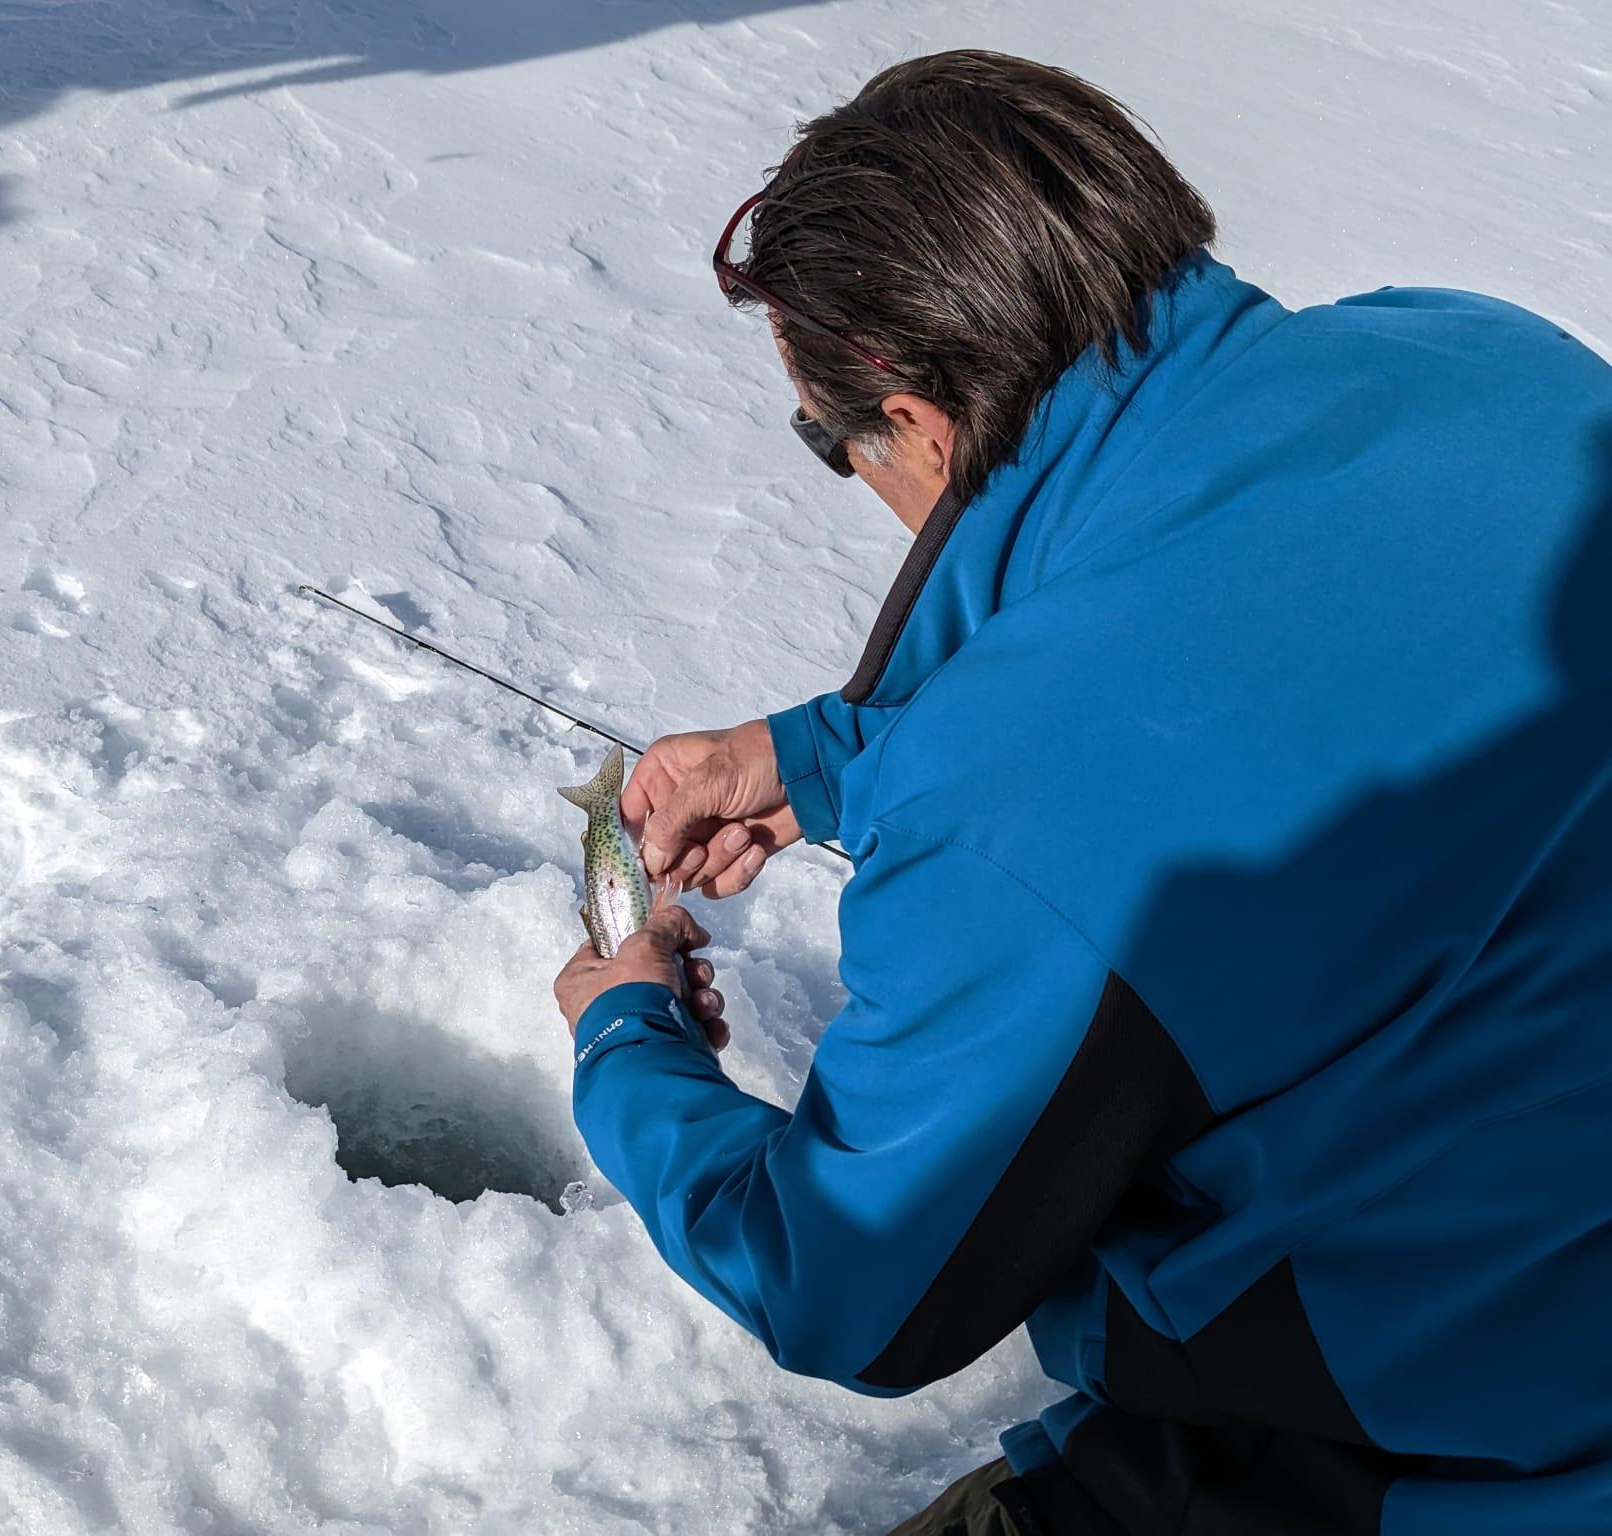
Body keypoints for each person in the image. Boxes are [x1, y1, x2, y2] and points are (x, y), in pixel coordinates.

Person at [550, 49, 1612, 1536]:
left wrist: (627, 1039)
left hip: (1454, 1462)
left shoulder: (1020, 820)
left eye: (823, 439)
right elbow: (1267, 667)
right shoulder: (1487, 358)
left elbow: (850, 1288)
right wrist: (832, 757)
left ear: (915, 421)